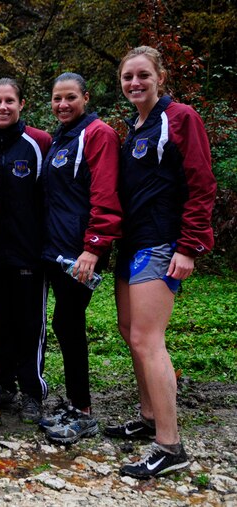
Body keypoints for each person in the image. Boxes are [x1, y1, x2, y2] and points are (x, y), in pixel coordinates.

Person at [106, 46, 216, 478]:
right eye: (128, 77)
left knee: (148, 339)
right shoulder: (135, 127)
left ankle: (170, 446)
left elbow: (201, 183)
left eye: (143, 75)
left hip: (161, 243)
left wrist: (189, 246)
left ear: (160, 77)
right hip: (131, 243)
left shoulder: (180, 118)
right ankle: (149, 417)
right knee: (129, 331)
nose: (135, 83)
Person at [38, 72, 122, 444]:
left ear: (86, 97)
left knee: (68, 322)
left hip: (81, 253)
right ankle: (75, 404)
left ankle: (84, 413)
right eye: (57, 98)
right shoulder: (61, 137)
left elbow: (106, 194)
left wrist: (93, 248)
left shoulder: (98, 134)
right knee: (65, 324)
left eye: (70, 97)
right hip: (58, 251)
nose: (63, 104)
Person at [0, 78, 51, 424]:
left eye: (9, 101)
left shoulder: (39, 142)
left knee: (29, 324)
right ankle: (4, 385)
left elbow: (51, 197)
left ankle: (32, 392)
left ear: (21, 104)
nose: (3, 107)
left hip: (29, 252)